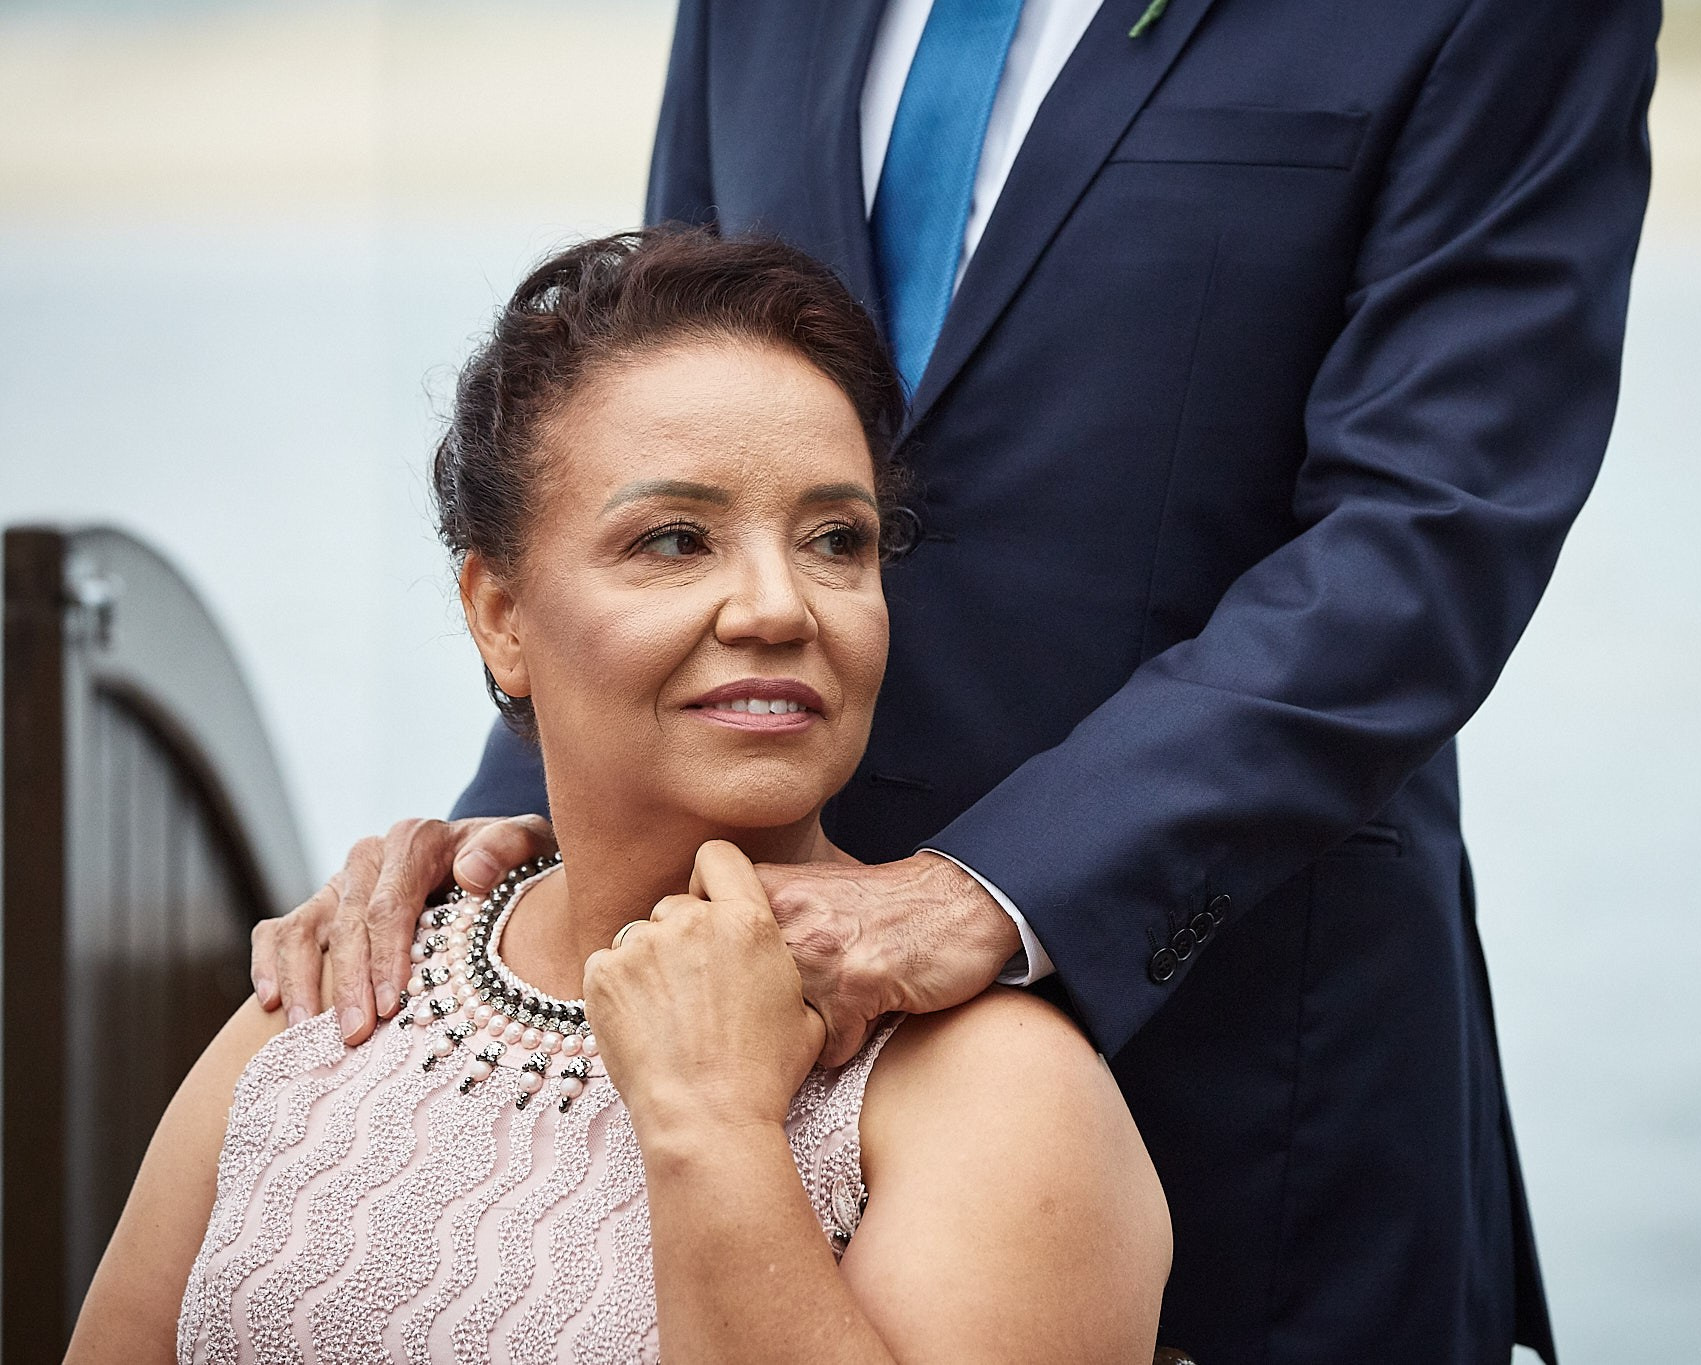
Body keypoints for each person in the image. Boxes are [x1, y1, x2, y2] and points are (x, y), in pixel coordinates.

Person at [256, 0, 1658, 1358]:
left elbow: (1426, 532)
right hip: (722, 1032)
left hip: (1247, 1069)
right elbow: (655, 385)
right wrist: (523, 818)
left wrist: (996, 890)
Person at [67, 230, 1171, 1364]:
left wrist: (714, 1130)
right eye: (676, 540)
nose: (776, 607)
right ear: (500, 617)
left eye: (836, 540)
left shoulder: (997, 1094)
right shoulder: (330, 1005)